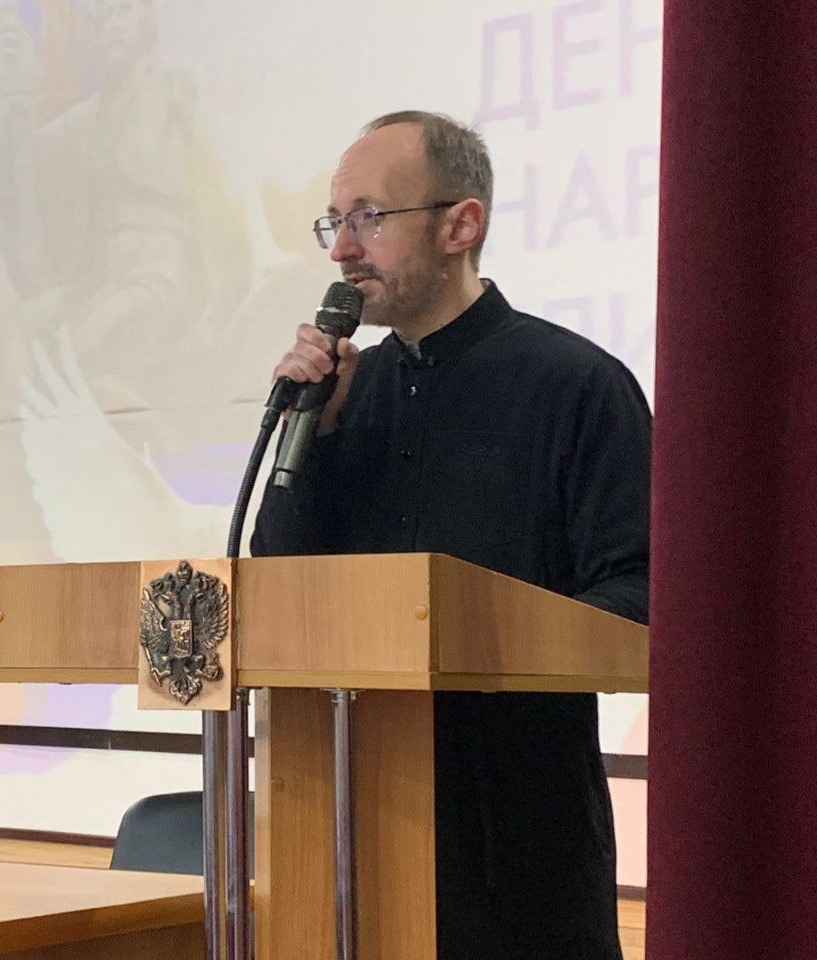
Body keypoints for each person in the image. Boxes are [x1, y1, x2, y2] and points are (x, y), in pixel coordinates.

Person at [250, 111, 650, 959]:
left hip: (519, 836)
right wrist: (316, 434)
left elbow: (641, 594)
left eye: (369, 217)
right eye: (334, 222)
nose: (341, 249)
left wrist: (473, 636)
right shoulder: (345, 394)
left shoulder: (576, 386)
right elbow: (280, 588)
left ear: (460, 225)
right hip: (352, 830)